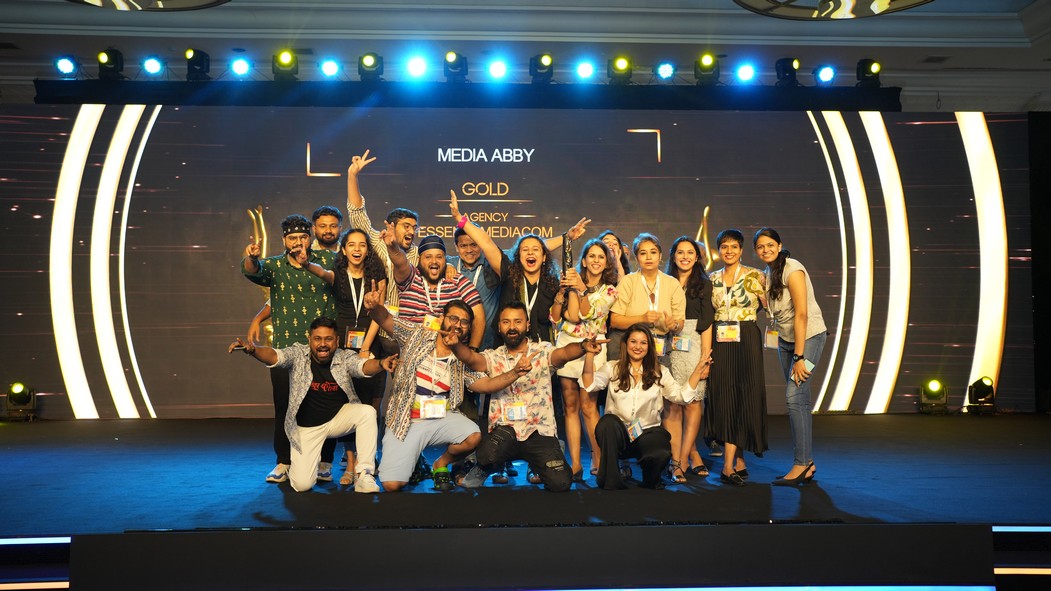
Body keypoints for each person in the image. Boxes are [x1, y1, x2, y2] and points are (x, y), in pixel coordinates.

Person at [365, 288, 511, 492]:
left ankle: (440, 464)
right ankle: (415, 461)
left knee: (473, 436)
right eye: (453, 318)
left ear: (469, 329)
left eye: (464, 322)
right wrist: (374, 308)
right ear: (442, 319)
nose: (457, 325)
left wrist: (516, 373)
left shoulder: (463, 358)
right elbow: (387, 320)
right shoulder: (417, 335)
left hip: (442, 419)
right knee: (392, 485)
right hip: (406, 420)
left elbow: (486, 385)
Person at [228, 317, 392, 493]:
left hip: (337, 420)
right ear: (309, 339)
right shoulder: (298, 354)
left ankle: (364, 475)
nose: (323, 344)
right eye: (317, 339)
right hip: (307, 429)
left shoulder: (344, 357)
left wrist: (381, 363)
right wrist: (254, 351)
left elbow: (362, 366)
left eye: (328, 339)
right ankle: (304, 465)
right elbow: (275, 356)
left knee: (367, 412)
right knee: (302, 485)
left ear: (336, 340)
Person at [452, 302, 604, 492]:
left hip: (538, 432)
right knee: (486, 454)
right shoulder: (493, 356)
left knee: (561, 483)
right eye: (506, 322)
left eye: (518, 321)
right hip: (506, 431)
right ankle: (486, 467)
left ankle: (550, 452)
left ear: (527, 325)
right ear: (499, 327)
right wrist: (456, 345)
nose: (512, 327)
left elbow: (564, 353)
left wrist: (582, 346)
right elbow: (471, 359)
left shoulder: (542, 351)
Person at [241, 214, 337, 484]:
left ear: (310, 237)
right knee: (284, 406)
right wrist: (251, 258)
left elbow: (340, 282)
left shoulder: (328, 259)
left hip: (322, 349)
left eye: (303, 237)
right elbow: (252, 270)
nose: (298, 242)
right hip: (285, 347)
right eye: (292, 238)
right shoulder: (275, 266)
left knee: (327, 404)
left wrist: (309, 264)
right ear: (284, 240)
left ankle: (325, 461)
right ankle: (283, 461)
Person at [304, 227, 388, 485]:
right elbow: (321, 272)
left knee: (369, 406)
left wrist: (366, 347)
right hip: (342, 346)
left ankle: (367, 462)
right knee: (347, 403)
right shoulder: (338, 275)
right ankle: (350, 464)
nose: (357, 249)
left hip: (369, 345)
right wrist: (305, 263)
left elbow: (379, 315)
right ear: (344, 249)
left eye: (362, 245)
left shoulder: (377, 277)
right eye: (351, 244)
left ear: (368, 249)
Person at [580, 324, 709, 490]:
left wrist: (697, 371)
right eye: (633, 341)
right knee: (607, 423)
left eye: (643, 343)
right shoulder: (612, 367)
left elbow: (681, 397)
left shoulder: (660, 371)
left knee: (660, 445)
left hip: (646, 435)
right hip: (619, 437)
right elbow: (589, 385)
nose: (638, 347)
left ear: (649, 347)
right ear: (625, 344)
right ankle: (611, 481)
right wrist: (589, 355)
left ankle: (650, 478)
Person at [754, 228, 826, 485]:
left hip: (808, 339)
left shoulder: (792, 268)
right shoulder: (768, 273)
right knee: (800, 399)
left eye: (770, 244)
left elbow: (802, 313)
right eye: (760, 247)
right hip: (785, 340)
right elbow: (776, 310)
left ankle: (801, 464)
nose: (765, 250)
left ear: (779, 245)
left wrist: (799, 356)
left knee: (794, 397)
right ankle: (808, 463)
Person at [704, 229, 768, 487]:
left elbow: (769, 307)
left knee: (745, 394)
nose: (729, 251)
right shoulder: (711, 278)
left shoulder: (757, 275)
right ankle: (735, 460)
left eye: (734, 247)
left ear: (741, 250)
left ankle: (730, 464)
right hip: (720, 339)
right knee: (725, 395)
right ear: (719, 250)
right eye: (724, 246)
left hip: (747, 337)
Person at [550, 238, 618, 479]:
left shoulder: (609, 290)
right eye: (592, 256)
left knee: (589, 406)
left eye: (601, 257)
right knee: (570, 407)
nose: (596, 261)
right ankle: (576, 464)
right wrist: (563, 293)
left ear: (607, 262)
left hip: (593, 348)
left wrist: (581, 290)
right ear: (585, 260)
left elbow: (586, 313)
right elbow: (560, 318)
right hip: (567, 345)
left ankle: (599, 459)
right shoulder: (572, 282)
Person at [384, 230, 486, 350]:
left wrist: (472, 350)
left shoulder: (458, 281)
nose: (434, 261)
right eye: (428, 257)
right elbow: (400, 263)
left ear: (445, 260)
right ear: (419, 259)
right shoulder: (410, 278)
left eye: (439, 257)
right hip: (412, 353)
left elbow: (478, 316)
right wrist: (393, 249)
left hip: (450, 355)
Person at [665, 236, 714, 479]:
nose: (685, 256)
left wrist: (705, 359)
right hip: (668, 344)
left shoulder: (704, 284)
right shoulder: (664, 282)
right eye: (680, 252)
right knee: (673, 403)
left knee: (693, 402)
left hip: (695, 344)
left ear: (697, 257)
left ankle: (683, 459)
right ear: (673, 256)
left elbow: (707, 323)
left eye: (690, 252)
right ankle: (685, 456)